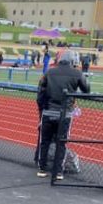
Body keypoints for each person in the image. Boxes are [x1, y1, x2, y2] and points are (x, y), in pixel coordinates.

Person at [36, 50, 89, 180]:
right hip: (65, 113)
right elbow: (86, 89)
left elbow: (40, 91)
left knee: (45, 141)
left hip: (48, 112)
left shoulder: (49, 72)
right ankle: (58, 172)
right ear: (73, 61)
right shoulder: (77, 73)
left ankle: (42, 169)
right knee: (62, 142)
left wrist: (42, 109)